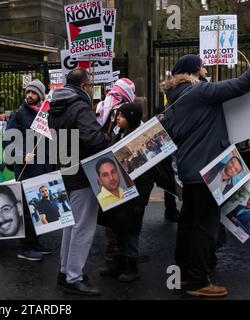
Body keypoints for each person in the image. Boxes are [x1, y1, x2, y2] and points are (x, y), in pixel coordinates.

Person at [162, 54, 250, 297]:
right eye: (202, 67)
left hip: (190, 171)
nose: (206, 70)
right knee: (205, 227)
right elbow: (241, 84)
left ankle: (183, 274)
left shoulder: (173, 99)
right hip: (209, 171)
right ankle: (199, 281)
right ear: (194, 71)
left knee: (188, 224)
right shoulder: (199, 91)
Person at [48, 68, 111, 296]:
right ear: (84, 87)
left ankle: (65, 272)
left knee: (69, 225)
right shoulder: (79, 107)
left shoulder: (55, 107)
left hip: (65, 171)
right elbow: (93, 138)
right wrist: (107, 138)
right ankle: (74, 277)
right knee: (82, 227)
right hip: (82, 174)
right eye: (91, 84)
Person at [99, 102, 154, 282]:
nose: (117, 119)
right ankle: (119, 262)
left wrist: (141, 200)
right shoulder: (119, 133)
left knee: (130, 232)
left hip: (134, 196)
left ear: (130, 118)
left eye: (121, 116)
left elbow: (147, 176)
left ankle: (132, 266)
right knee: (118, 229)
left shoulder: (140, 140)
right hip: (119, 192)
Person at [3, 79, 54, 261]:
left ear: (40, 96)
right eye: (28, 92)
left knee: (39, 206)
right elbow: (8, 141)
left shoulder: (45, 114)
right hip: (26, 169)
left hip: (43, 167)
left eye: (33, 93)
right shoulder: (18, 115)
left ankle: (35, 242)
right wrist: (21, 155)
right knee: (27, 208)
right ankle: (24, 248)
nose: (29, 95)